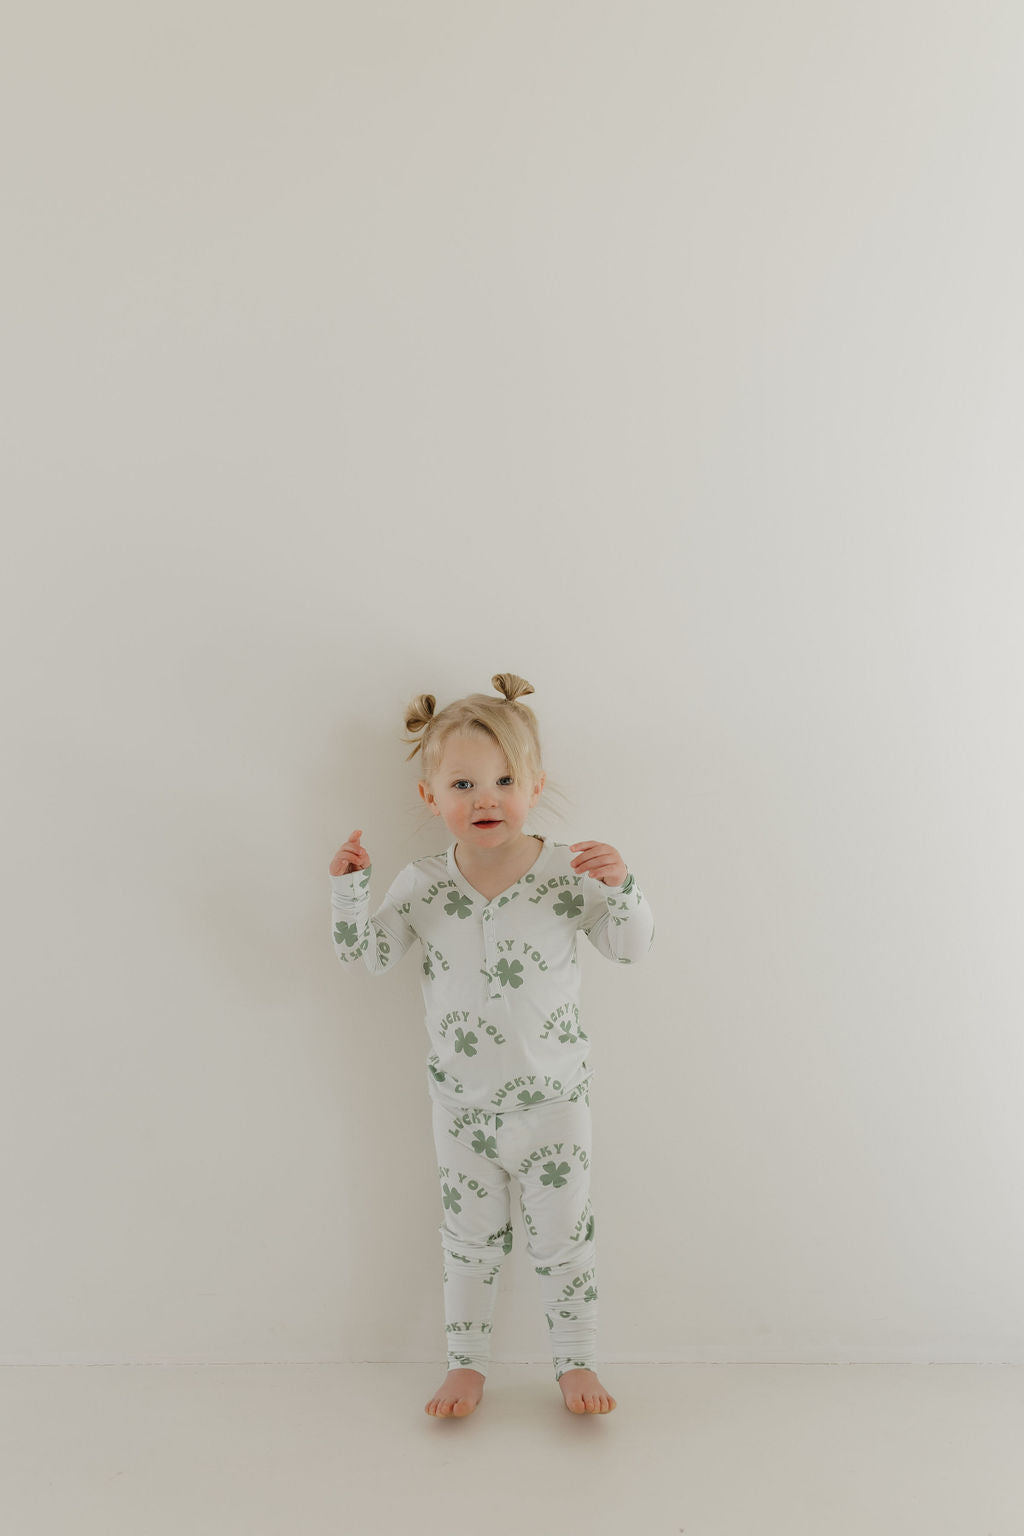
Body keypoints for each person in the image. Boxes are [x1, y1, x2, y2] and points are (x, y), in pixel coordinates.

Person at [328, 672, 655, 1418]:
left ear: (535, 784)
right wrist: (349, 890)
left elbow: (631, 947)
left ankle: (575, 1360)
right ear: (430, 796)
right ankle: (466, 1366)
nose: (486, 799)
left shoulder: (567, 874)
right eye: (464, 783)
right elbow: (366, 958)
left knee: (565, 1240)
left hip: (555, 1104)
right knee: (468, 1244)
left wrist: (624, 887)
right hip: (463, 1110)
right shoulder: (423, 885)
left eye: (506, 780)